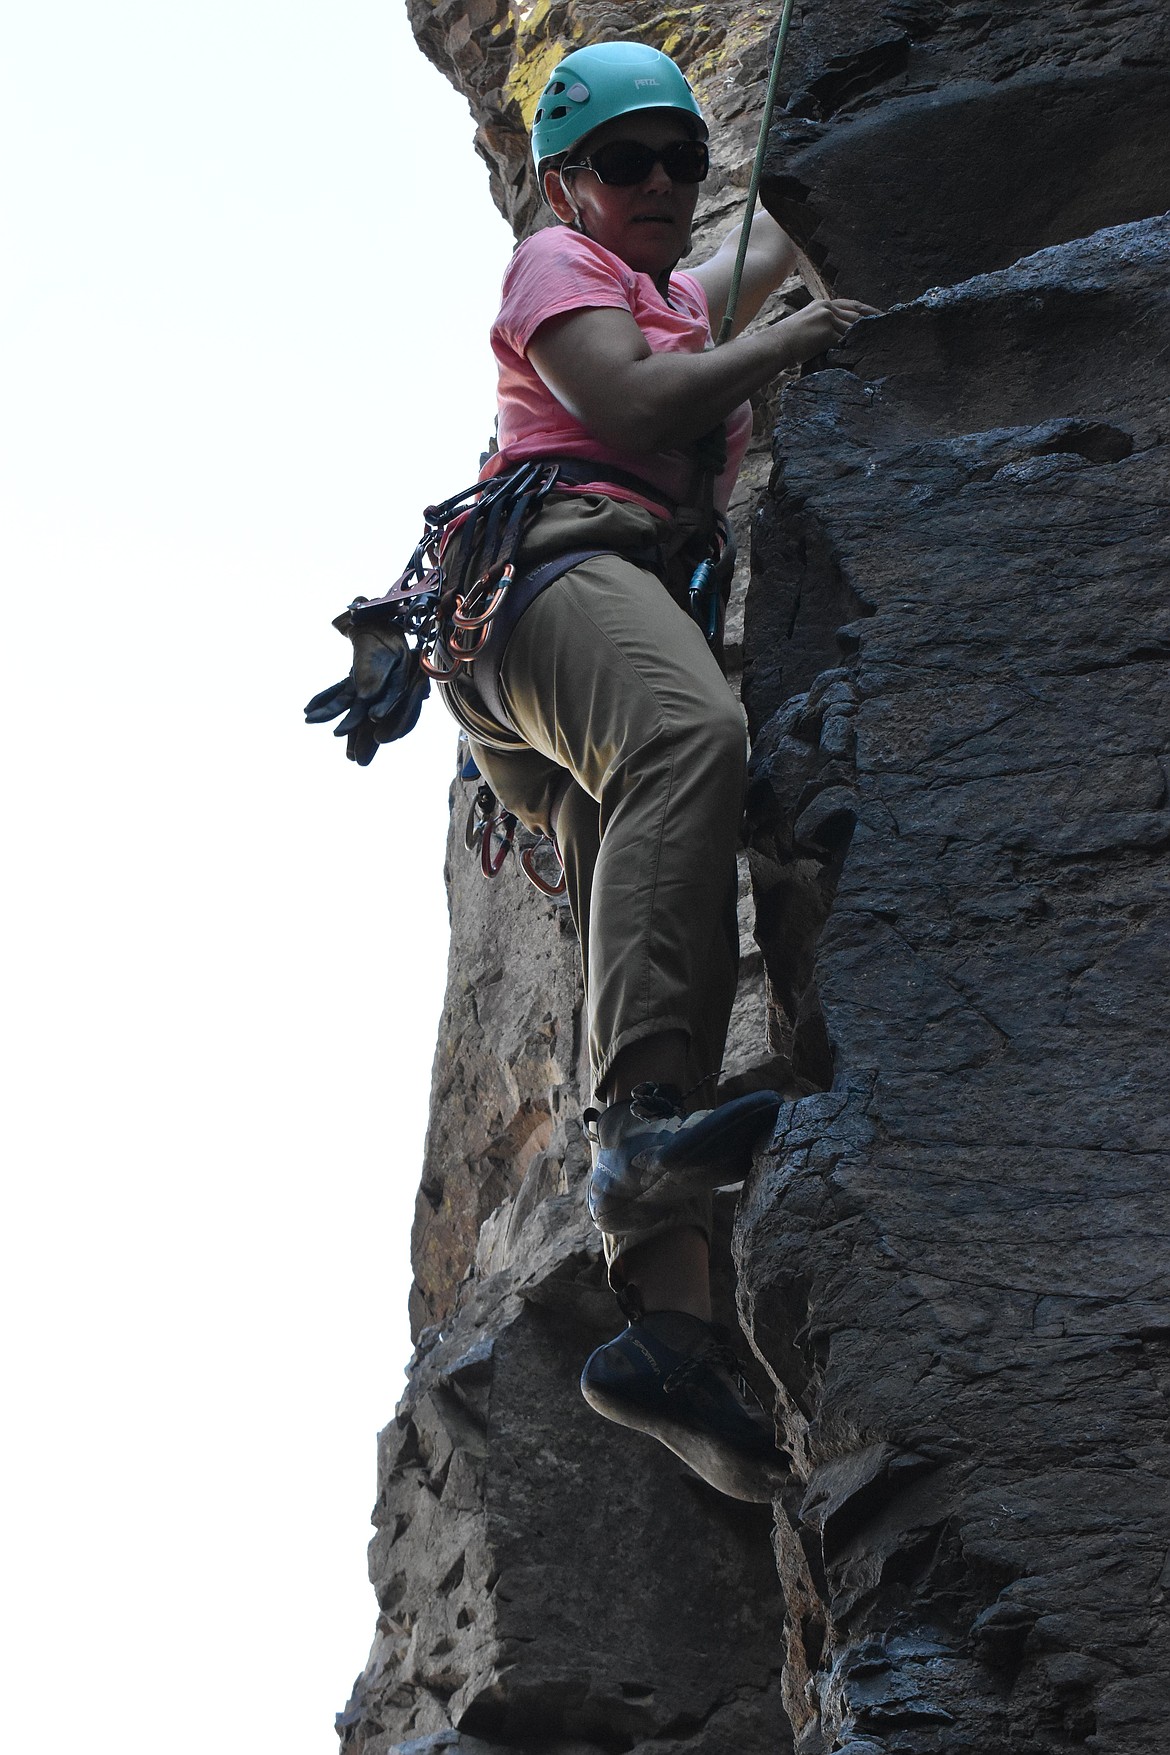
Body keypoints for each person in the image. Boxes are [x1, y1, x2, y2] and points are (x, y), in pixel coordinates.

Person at [438, 40, 876, 1501]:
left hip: (572, 622)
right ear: (566, 182)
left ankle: (667, 1333)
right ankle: (640, 1141)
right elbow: (634, 410)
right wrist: (786, 344)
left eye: (680, 159)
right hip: (553, 573)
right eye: (625, 160)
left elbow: (777, 215)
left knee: (646, 909)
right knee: (686, 738)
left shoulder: (678, 289)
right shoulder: (555, 268)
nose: (659, 184)